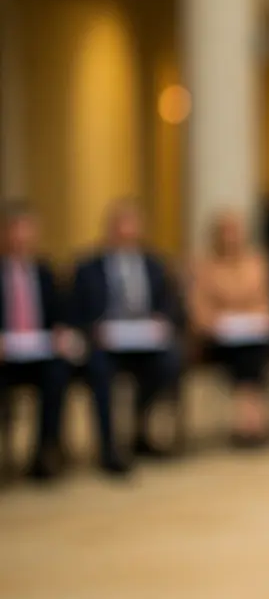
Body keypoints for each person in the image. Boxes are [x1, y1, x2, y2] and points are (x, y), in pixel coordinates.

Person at [73, 200, 183, 475]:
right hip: (106, 345)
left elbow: (170, 304)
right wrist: (94, 330)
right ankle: (109, 446)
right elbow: (75, 310)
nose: (127, 232)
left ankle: (140, 427)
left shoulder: (154, 264)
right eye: (122, 225)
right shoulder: (88, 267)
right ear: (109, 230)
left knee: (171, 361)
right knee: (99, 369)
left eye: (133, 225)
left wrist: (163, 321)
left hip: (146, 342)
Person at [0, 204, 77, 480]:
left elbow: (60, 314)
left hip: (38, 355)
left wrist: (60, 333)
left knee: (57, 372)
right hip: (5, 360)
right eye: (15, 230)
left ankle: (45, 451)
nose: (22, 237)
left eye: (27, 230)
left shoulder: (44, 272)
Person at [188, 210, 269, 447]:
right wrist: (218, 323)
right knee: (243, 352)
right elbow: (199, 308)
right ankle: (251, 420)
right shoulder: (204, 267)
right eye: (227, 232)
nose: (232, 238)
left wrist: (254, 319)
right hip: (218, 337)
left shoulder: (257, 263)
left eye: (236, 232)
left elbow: (267, 301)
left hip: (252, 334)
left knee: (253, 349)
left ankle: (247, 420)